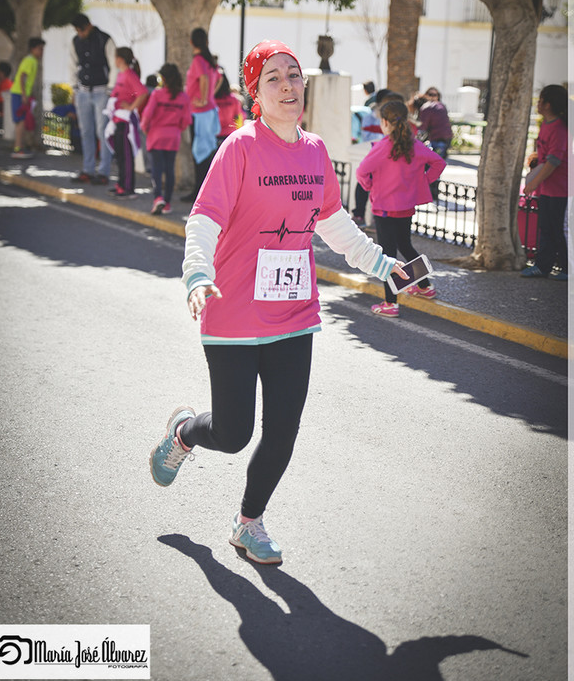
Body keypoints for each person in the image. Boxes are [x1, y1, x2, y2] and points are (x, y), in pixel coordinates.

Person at [149, 39, 408, 564]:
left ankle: (250, 523)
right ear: (255, 93)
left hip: (293, 314)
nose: (288, 85)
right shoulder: (239, 148)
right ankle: (184, 433)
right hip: (234, 314)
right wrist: (197, 275)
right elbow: (203, 220)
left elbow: (335, 226)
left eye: (294, 75)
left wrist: (385, 265)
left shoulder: (314, 152)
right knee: (233, 431)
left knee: (283, 429)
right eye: (274, 78)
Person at [356, 98, 446, 318]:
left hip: (384, 209)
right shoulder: (414, 144)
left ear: (385, 122)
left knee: (388, 255)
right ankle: (425, 287)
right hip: (406, 207)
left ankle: (390, 303)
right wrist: (423, 182)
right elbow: (439, 163)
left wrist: (370, 186)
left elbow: (361, 172)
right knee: (405, 246)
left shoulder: (383, 147)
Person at [521, 84, 568, 280]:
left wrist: (532, 183)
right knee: (546, 229)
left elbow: (554, 161)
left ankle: (567, 269)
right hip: (547, 188)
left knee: (557, 230)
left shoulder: (559, 129)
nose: (538, 104)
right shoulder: (546, 124)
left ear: (548, 104)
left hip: (560, 189)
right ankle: (543, 266)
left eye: (540, 101)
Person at [69, 13, 118, 184]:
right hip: (83, 91)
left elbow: (113, 65)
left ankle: (103, 171)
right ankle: (88, 169)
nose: (80, 33)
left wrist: (110, 90)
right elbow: (73, 64)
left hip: (101, 91)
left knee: (102, 131)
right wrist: (74, 88)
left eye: (82, 29)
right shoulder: (75, 42)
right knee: (85, 131)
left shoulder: (105, 40)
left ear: (89, 25)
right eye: (77, 31)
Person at [141, 63, 192, 215]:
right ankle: (167, 203)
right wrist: (176, 128)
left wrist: (145, 128)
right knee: (169, 170)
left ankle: (158, 198)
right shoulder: (183, 97)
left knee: (156, 169)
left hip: (156, 135)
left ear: (163, 78)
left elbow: (147, 115)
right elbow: (186, 120)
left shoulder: (157, 94)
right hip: (173, 136)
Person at [181, 27, 222, 203]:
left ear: (191, 42)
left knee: (200, 153)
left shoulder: (199, 60)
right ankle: (202, 192)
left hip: (201, 113)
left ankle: (199, 193)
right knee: (205, 153)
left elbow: (204, 79)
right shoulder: (209, 61)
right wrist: (210, 97)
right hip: (208, 112)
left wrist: (204, 99)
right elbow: (219, 79)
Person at [352, 89, 403, 228]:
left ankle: (379, 218)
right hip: (375, 157)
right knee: (363, 185)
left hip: (390, 159)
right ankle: (360, 214)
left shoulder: (397, 119)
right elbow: (366, 137)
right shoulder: (370, 118)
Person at [104, 47, 148, 197]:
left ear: (120, 59)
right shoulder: (121, 75)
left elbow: (142, 93)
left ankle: (128, 187)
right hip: (117, 120)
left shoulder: (129, 74)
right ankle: (121, 184)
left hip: (125, 121)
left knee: (126, 155)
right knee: (120, 154)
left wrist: (130, 107)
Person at [411, 87, 452, 201]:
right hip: (445, 140)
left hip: (437, 140)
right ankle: (433, 193)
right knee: (436, 165)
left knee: (430, 166)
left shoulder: (426, 108)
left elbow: (422, 128)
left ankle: (430, 194)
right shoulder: (441, 106)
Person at [10, 38, 45, 158]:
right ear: (32, 49)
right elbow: (22, 77)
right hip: (19, 93)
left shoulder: (31, 60)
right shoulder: (30, 61)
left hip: (19, 93)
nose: (42, 52)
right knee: (20, 121)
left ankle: (19, 147)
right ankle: (18, 148)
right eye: (40, 49)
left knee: (21, 121)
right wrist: (25, 95)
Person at [214, 69, 244, 146]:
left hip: (214, 136)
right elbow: (238, 117)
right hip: (230, 135)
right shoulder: (234, 99)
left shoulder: (211, 101)